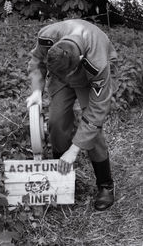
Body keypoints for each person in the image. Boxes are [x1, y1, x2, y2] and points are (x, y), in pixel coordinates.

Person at [26, 19, 118, 211]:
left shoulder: (97, 63)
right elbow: (37, 62)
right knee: (57, 122)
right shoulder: (47, 37)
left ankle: (105, 185)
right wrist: (36, 91)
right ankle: (63, 180)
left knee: (93, 132)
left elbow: (97, 111)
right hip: (60, 75)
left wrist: (74, 150)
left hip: (87, 79)